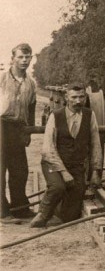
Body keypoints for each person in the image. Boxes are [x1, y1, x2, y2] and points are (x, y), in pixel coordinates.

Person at [30, 83, 102, 227]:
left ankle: (59, 209)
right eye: (74, 97)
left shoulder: (89, 115)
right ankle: (42, 215)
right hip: (53, 164)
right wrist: (63, 172)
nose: (78, 101)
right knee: (58, 187)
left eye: (81, 97)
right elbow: (48, 149)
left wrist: (95, 171)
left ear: (85, 97)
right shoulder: (55, 116)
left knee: (70, 216)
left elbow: (95, 144)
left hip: (76, 166)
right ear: (66, 97)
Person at [1, 43, 37, 220]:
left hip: (18, 128)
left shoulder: (31, 83)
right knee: (0, 169)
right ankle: (2, 211)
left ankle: (20, 208)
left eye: (27, 57)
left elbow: (31, 107)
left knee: (20, 171)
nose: (24, 60)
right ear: (12, 58)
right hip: (1, 126)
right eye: (20, 57)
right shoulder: (1, 79)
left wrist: (28, 131)